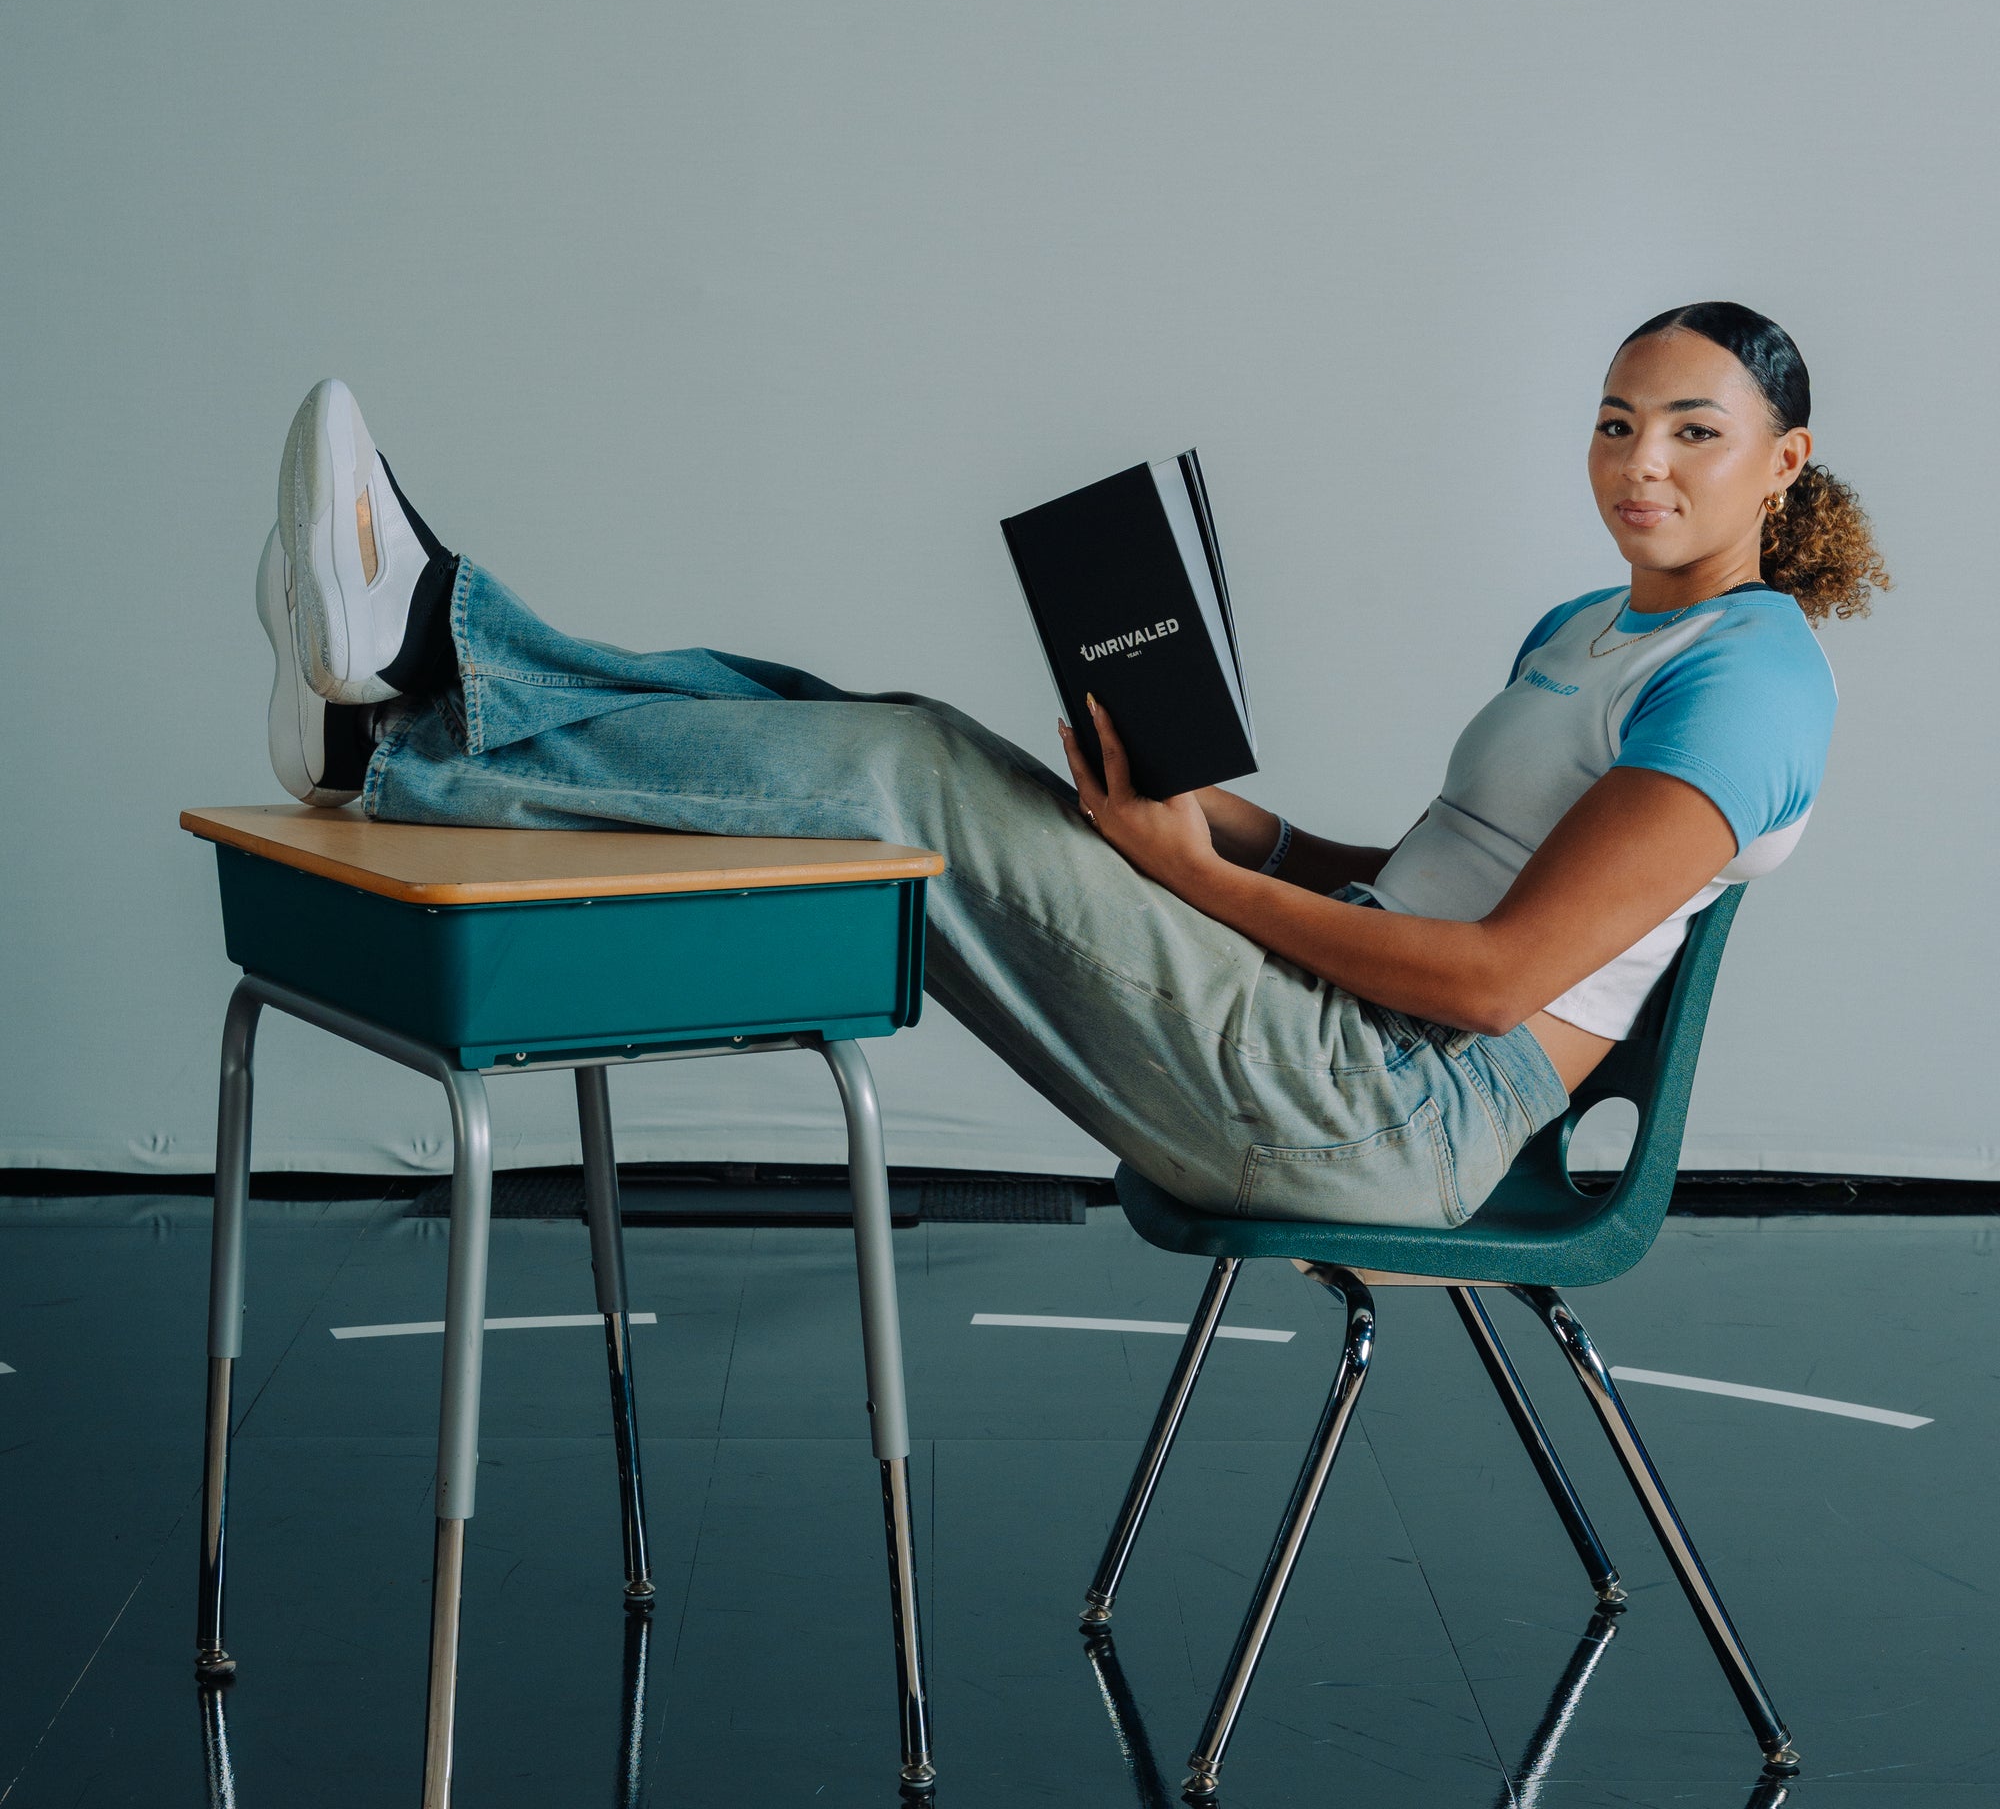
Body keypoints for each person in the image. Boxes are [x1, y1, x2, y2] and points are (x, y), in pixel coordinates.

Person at [257, 303, 1888, 1229]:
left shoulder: (1749, 680)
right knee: (891, 728)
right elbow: (1419, 877)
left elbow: (1492, 978)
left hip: (1389, 1106)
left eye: (1693, 429)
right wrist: (1223, 826)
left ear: (1783, 463)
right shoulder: (1586, 627)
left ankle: (415, 678)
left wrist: (1192, 881)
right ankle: (395, 714)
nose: (1641, 462)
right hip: (1337, 1029)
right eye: (1615, 421)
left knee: (905, 774)